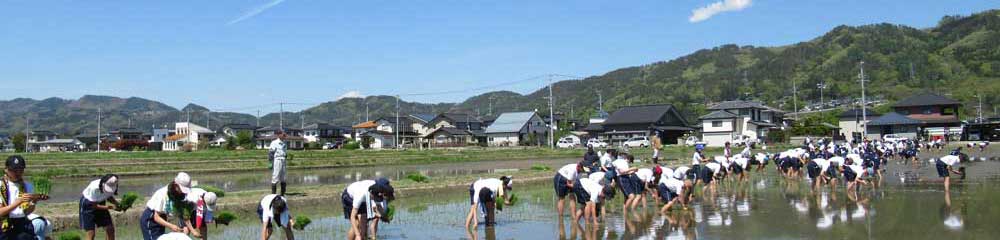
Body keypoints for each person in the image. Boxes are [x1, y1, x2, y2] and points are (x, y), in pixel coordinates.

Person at [0, 155, 44, 240]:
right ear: (6, 170)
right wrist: (18, 202)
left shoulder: (27, 186)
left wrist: (34, 202)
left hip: (21, 222)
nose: (18, 173)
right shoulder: (1, 186)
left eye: (21, 170)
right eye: (14, 170)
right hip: (4, 224)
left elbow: (26, 212)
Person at [139, 173, 192, 240]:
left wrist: (185, 227)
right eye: (182, 189)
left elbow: (180, 212)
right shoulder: (162, 194)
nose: (183, 192)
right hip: (151, 219)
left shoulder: (178, 195)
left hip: (162, 217)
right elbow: (156, 217)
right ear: (176, 185)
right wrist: (171, 226)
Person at [80, 174, 120, 240]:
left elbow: (108, 196)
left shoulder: (113, 183)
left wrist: (117, 203)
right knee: (91, 233)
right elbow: (95, 206)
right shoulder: (94, 188)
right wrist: (112, 207)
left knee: (110, 229)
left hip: (100, 202)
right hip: (88, 204)